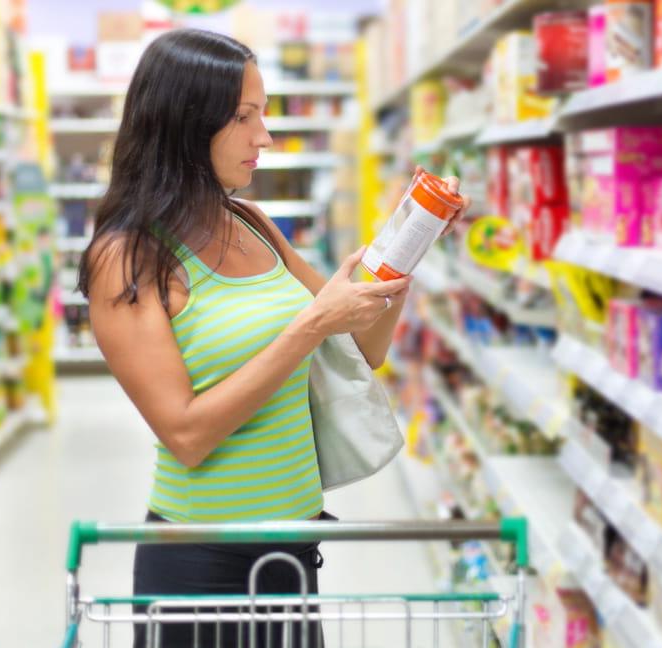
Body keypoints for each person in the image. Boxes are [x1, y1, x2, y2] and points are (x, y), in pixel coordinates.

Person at [76, 28, 470, 647]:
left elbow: (362, 348)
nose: (264, 136)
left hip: (293, 551)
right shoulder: (128, 258)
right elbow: (186, 433)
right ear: (184, 122)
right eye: (243, 117)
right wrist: (311, 324)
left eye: (263, 113)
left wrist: (403, 252)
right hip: (201, 564)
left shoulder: (250, 222)